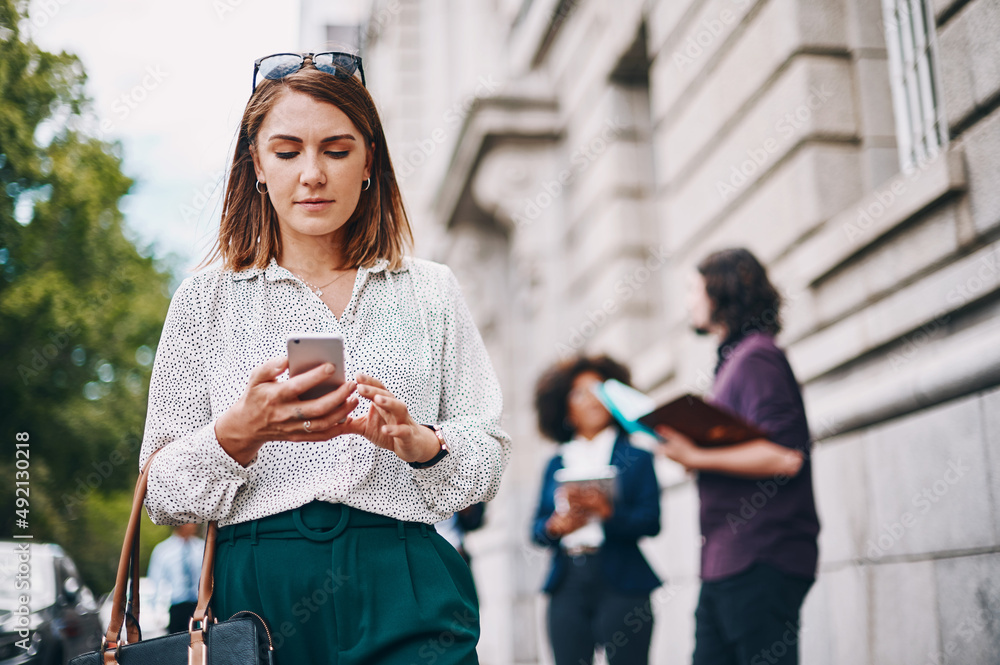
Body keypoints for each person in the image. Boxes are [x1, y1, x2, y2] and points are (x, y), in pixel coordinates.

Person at [138, 51, 510, 664]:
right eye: (287, 152)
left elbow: (486, 463)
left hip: (406, 578)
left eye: (337, 150)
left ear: (369, 162)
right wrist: (238, 432)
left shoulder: (430, 289)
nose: (312, 173)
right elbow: (162, 494)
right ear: (256, 164)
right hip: (257, 600)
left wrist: (424, 445)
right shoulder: (205, 300)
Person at [655, 248, 820, 665]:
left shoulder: (758, 356)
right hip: (726, 562)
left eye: (694, 290)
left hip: (760, 558)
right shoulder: (735, 360)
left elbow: (786, 457)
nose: (689, 302)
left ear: (721, 291)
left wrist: (697, 456)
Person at [531, 355, 661, 665]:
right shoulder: (555, 462)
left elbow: (651, 521)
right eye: (580, 393)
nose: (592, 400)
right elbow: (535, 529)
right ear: (565, 410)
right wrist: (555, 527)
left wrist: (608, 513)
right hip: (568, 582)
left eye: (600, 390)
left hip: (622, 579)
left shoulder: (637, 456)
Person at [146, 523, 204, 634]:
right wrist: (157, 614)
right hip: (176, 609)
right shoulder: (162, 550)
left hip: (200, 607)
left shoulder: (202, 547)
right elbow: (155, 582)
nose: (195, 524)